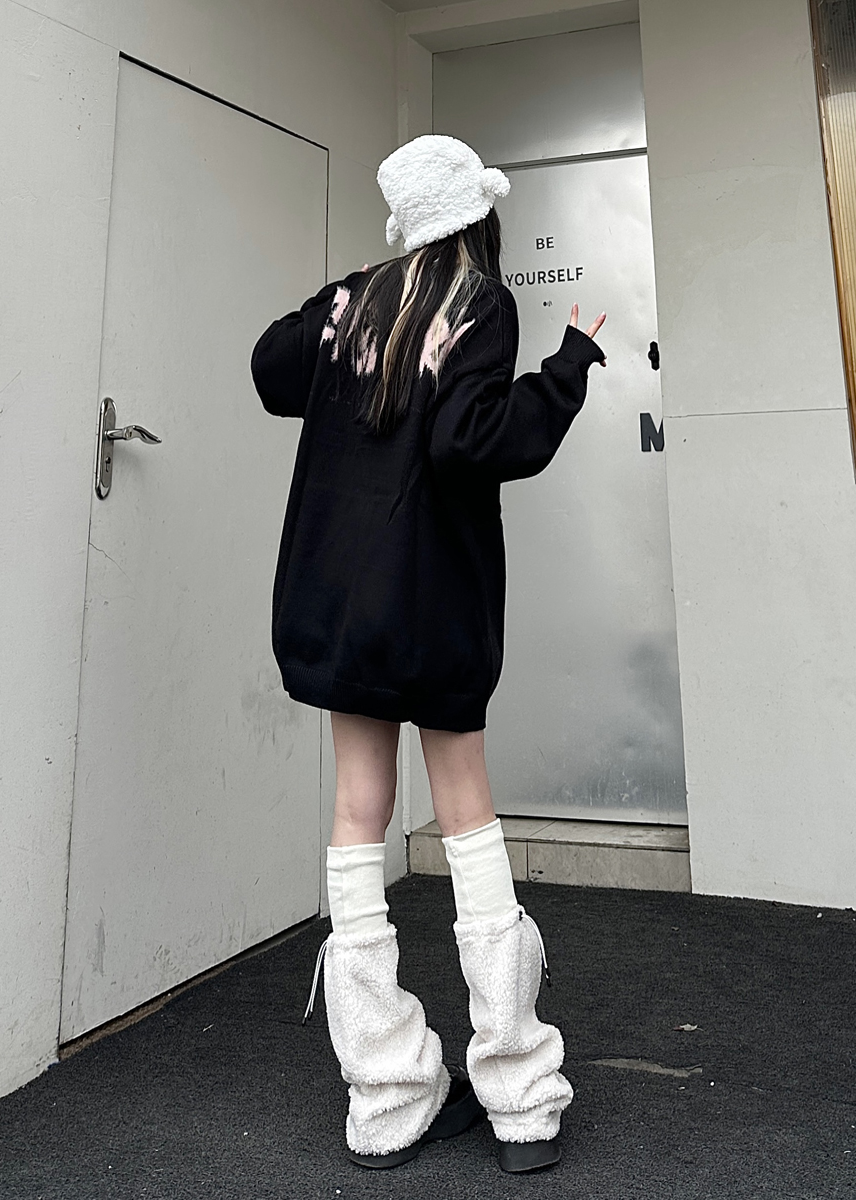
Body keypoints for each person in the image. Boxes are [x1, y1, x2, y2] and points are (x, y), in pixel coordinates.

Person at [250, 133, 606, 1175]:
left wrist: (353, 290)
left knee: (358, 815)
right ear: (477, 219)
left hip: (337, 602)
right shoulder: (479, 302)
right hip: (432, 603)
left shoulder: (357, 302)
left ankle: (386, 1096)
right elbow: (470, 439)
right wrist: (567, 372)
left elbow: (272, 366)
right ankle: (520, 1094)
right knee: (466, 815)